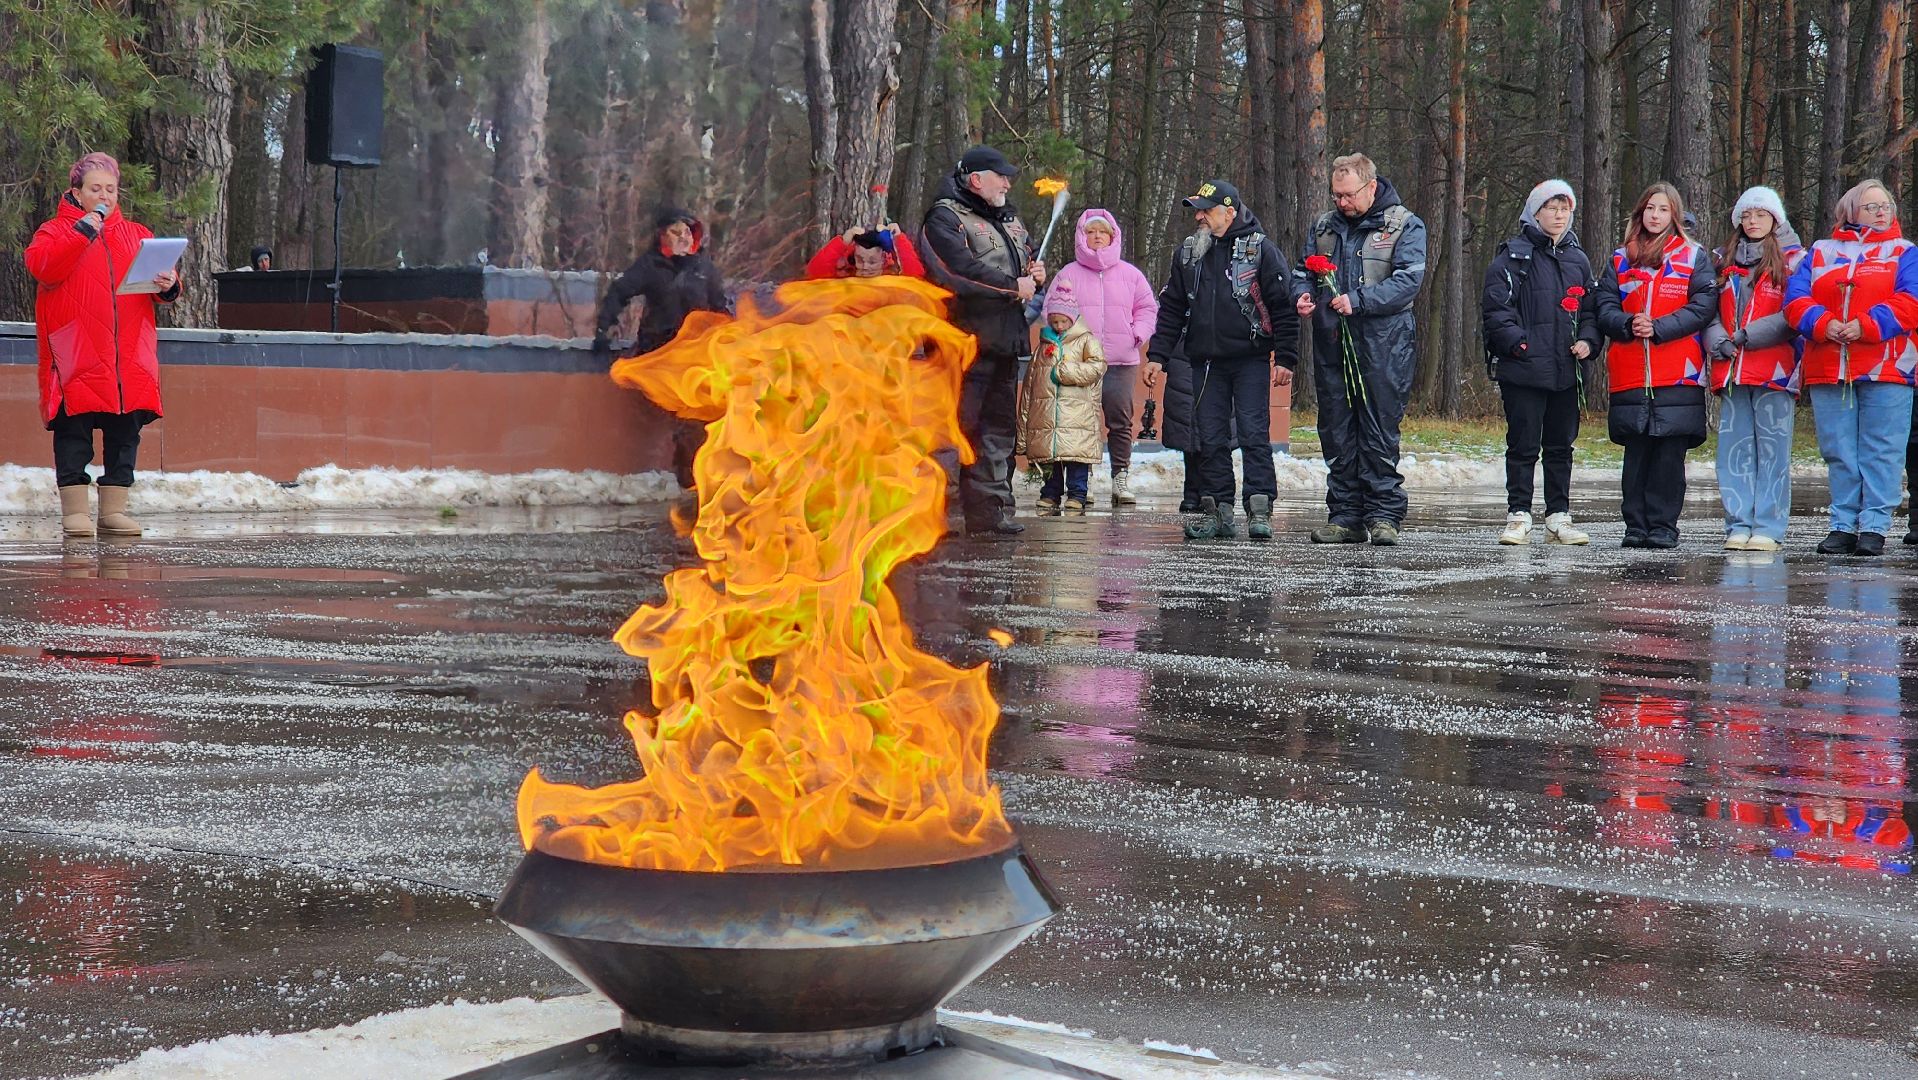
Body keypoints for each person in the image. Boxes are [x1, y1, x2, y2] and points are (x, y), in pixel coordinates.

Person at [25, 153, 180, 539]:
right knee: (73, 429)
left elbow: (157, 289)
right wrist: (82, 231)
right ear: (76, 192)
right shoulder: (54, 231)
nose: (105, 196)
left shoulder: (136, 233)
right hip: (76, 349)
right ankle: (75, 510)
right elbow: (43, 267)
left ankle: (114, 509)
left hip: (127, 353)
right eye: (96, 189)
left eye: (110, 189)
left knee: (125, 430)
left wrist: (169, 284)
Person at [1145, 180, 1298, 541]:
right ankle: (1217, 510)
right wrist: (1157, 355)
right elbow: (1171, 308)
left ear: (1229, 212)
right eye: (1197, 210)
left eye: (1206, 210)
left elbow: (1283, 306)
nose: (1199, 216)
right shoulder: (1188, 252)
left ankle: (1260, 509)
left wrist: (1286, 358)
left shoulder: (1262, 250)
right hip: (1204, 361)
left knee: (1253, 435)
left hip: (1250, 359)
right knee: (1209, 437)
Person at [1292, 153, 1429, 546]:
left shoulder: (1404, 224)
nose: (1342, 203)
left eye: (1348, 195)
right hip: (1333, 341)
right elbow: (1303, 271)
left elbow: (1407, 281)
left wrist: (1360, 300)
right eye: (1336, 196)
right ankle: (1345, 516)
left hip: (1385, 343)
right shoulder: (1324, 227)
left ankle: (1384, 515)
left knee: (1378, 430)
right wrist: (1301, 295)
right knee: (1336, 431)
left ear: (1370, 187)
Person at [1785, 179, 1918, 557]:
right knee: (1839, 448)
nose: (1880, 212)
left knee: (1882, 447)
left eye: (1885, 206)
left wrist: (1866, 324)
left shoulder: (1904, 252)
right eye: (1871, 206)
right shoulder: (1820, 251)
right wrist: (1823, 323)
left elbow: (1911, 301)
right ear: (1850, 211)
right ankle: (1842, 523)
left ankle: (1874, 525)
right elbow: (1795, 298)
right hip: (1830, 363)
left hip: (1888, 366)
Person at [921, 145, 1045, 537]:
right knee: (955, 428)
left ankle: (990, 510)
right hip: (961, 344)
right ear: (976, 179)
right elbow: (955, 271)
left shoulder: (1009, 220)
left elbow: (1023, 260)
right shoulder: (944, 217)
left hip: (1005, 341)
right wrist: (1013, 287)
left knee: (997, 429)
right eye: (1001, 175)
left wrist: (1035, 271)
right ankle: (936, 513)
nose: (1008, 182)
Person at [1593, 182, 1717, 549]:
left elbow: (1703, 307)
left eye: (1663, 210)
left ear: (1674, 215)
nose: (1656, 215)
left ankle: (1663, 525)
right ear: (1640, 213)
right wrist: (1628, 324)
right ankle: (1635, 525)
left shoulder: (1694, 256)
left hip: (1677, 371)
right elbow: (1604, 306)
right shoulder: (1620, 258)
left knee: (1668, 454)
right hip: (1630, 369)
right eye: (1650, 208)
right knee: (1637, 453)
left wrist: (1659, 327)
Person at [1480, 179, 1598, 546]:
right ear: (1535, 212)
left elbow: (1592, 311)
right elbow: (1497, 312)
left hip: (1567, 368)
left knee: (1561, 445)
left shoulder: (1578, 259)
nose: (1559, 215)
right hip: (1525, 368)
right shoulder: (1511, 258)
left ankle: (1558, 514)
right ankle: (1519, 513)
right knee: (1523, 444)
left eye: (1565, 209)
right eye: (1551, 208)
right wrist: (1522, 345)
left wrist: (1588, 341)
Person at [593, 206, 731, 488]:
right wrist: (604, 327)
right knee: (685, 414)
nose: (683, 238)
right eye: (675, 232)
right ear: (661, 235)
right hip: (662, 350)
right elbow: (620, 292)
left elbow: (720, 306)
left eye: (687, 233)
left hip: (698, 353)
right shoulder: (650, 266)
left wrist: (732, 337)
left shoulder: (704, 268)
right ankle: (687, 478)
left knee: (705, 412)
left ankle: (699, 475)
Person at [1702, 187, 1805, 552]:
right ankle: (1738, 523)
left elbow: (1794, 314)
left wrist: (1747, 336)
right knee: (1734, 452)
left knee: (1773, 454)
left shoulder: (1795, 259)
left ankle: (1768, 526)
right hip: (1731, 369)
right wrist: (1719, 341)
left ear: (1775, 219)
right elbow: (1707, 309)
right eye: (1747, 215)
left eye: (1760, 215)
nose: (1753, 221)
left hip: (1775, 370)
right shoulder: (1720, 259)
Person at [1045, 209, 1157, 506]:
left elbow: (1147, 308)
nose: (1096, 237)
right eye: (1091, 232)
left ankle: (1120, 476)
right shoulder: (1067, 274)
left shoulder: (1130, 274)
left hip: (1120, 360)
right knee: (1082, 421)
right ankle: (1085, 479)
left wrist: (1136, 334)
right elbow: (1052, 311)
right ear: (1082, 236)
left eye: (1102, 232)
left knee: (1120, 419)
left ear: (1112, 236)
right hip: (1079, 363)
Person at [1016, 285, 1108, 514]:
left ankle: (1078, 494)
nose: (1058, 327)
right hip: (1046, 417)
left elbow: (1098, 367)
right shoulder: (1042, 347)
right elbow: (1029, 385)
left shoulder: (1086, 341)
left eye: (1063, 322)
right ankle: (1050, 494)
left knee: (1076, 459)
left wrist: (1065, 372)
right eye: (1054, 322)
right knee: (1050, 459)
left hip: (1076, 417)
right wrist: (1024, 425)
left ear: (1073, 319)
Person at [804, 224, 926, 279]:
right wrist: (843, 242)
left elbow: (915, 278)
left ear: (884, 259)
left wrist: (899, 240)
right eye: (860, 260)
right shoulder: (846, 273)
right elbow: (814, 272)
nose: (866, 267)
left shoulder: (891, 275)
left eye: (872, 262)